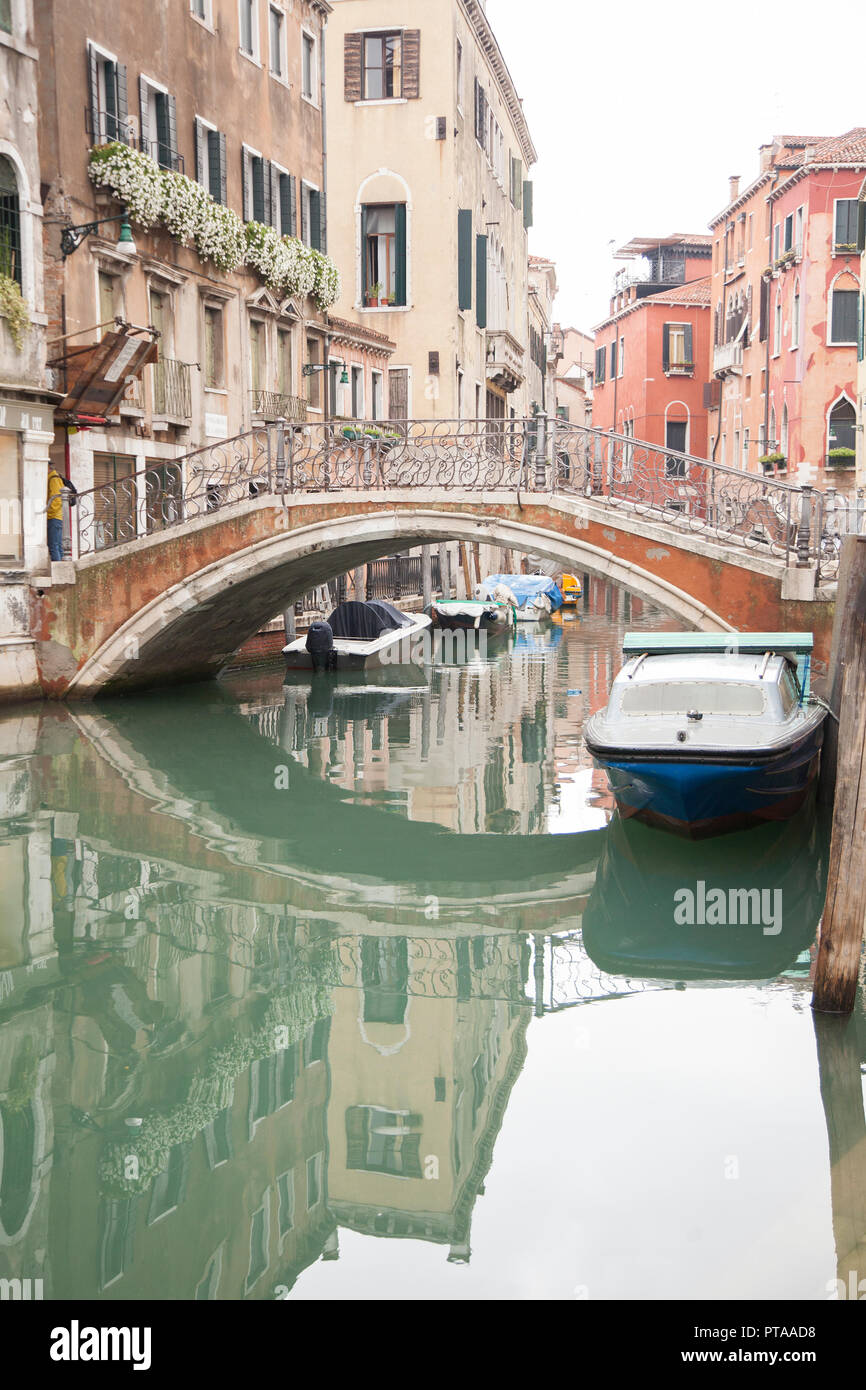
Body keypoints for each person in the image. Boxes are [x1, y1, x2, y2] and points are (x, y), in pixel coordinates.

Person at [46, 464, 77, 561]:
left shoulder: (53, 479)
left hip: (54, 517)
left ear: (48, 468)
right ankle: (62, 568)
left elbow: (56, 499)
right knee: (58, 545)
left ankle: (58, 570)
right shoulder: (55, 478)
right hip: (57, 517)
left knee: (54, 546)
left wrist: (47, 512)